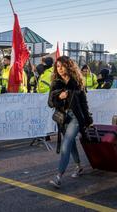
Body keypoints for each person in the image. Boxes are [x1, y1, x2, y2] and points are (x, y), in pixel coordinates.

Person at [48, 56, 93, 188]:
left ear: (69, 66)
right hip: (63, 117)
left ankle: (58, 176)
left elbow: (84, 103)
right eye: (58, 66)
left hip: (76, 117)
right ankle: (79, 166)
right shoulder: (56, 83)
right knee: (71, 142)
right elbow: (50, 103)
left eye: (62, 66)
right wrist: (60, 97)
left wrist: (88, 119)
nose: (60, 69)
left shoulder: (77, 82)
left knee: (66, 143)